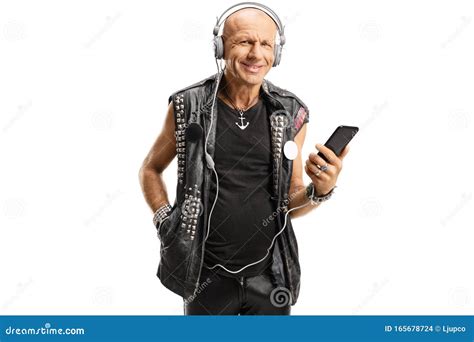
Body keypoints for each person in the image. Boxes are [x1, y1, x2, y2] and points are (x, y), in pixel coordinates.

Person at [139, 2, 350, 315]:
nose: (256, 54)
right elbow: (150, 169)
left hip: (270, 276)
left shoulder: (291, 113)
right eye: (244, 42)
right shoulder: (188, 105)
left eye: (266, 44)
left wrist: (319, 190)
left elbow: (290, 203)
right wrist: (165, 220)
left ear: (276, 53)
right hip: (205, 277)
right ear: (221, 47)